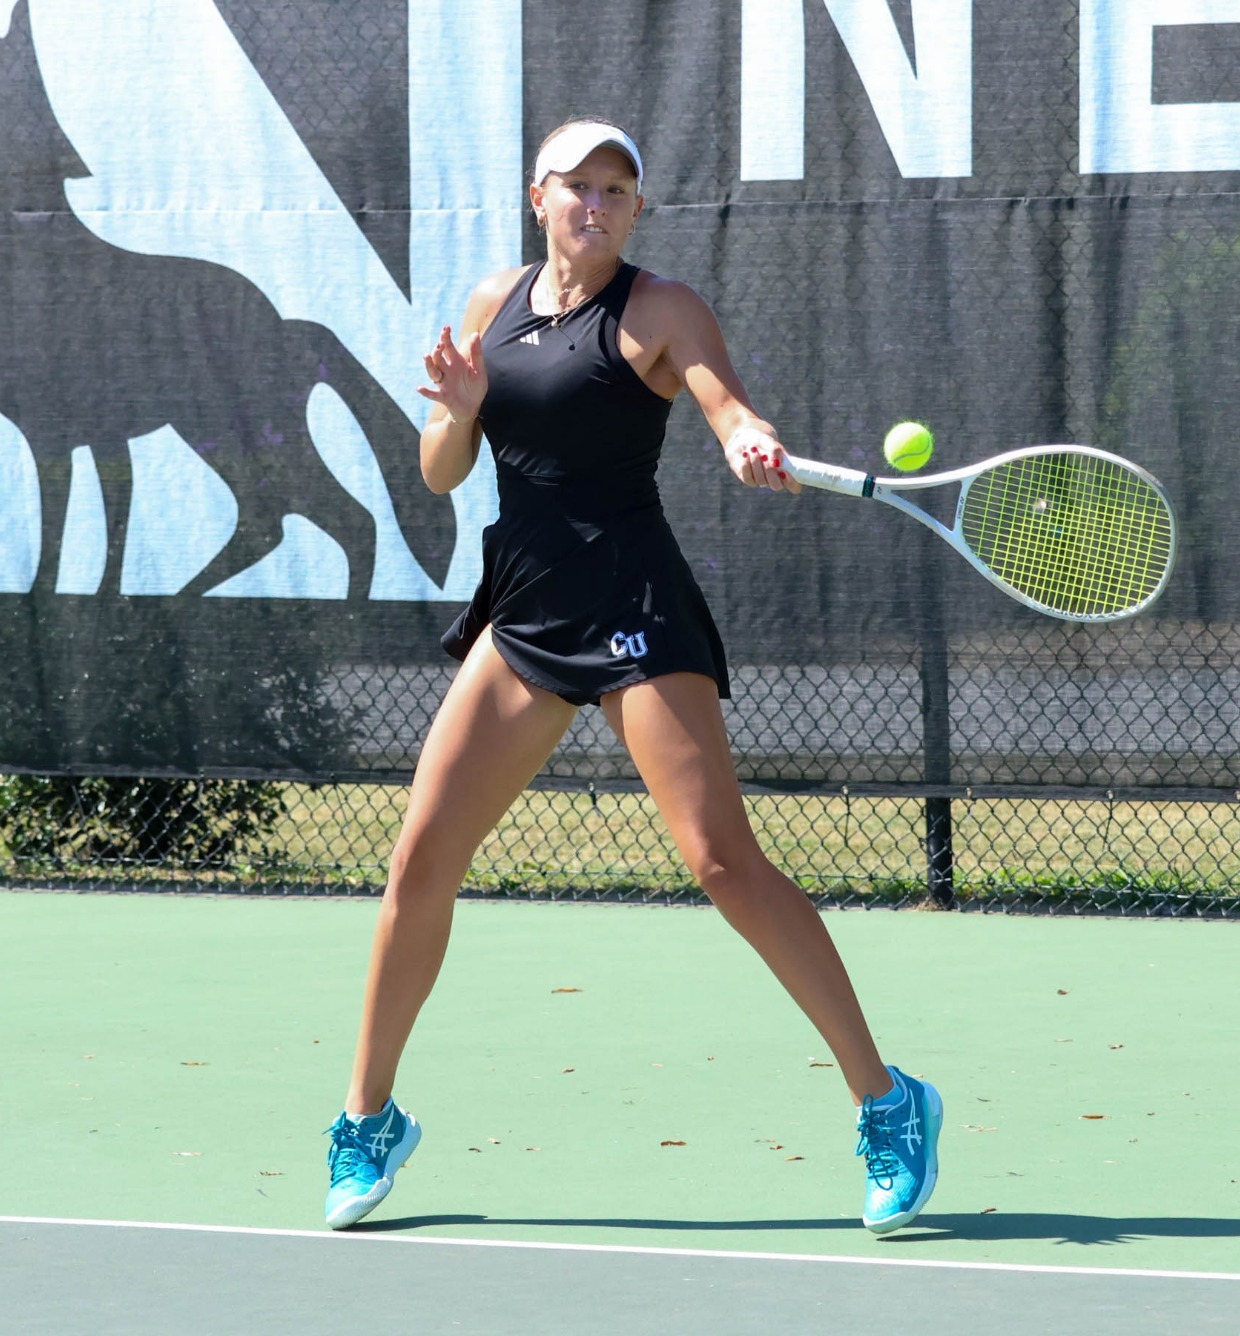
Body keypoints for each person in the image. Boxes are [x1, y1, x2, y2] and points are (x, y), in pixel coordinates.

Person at [322, 119, 939, 1235]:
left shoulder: (659, 309)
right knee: (419, 855)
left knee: (719, 861)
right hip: (523, 610)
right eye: (578, 187)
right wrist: (458, 413)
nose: (597, 206)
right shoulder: (487, 306)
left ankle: (888, 1101)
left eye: (617, 191)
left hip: (633, 605)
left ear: (634, 211)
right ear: (538, 196)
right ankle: (367, 1118)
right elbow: (438, 469)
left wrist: (748, 438)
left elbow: (723, 404)